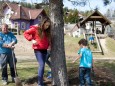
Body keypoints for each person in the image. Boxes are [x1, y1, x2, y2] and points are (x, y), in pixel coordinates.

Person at [24, 17, 51, 86]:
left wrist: (50, 45)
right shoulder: (35, 29)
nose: (47, 27)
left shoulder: (47, 31)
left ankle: (41, 82)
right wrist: (32, 40)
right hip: (37, 50)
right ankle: (40, 83)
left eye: (48, 26)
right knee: (41, 65)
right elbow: (26, 33)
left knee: (43, 66)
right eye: (46, 25)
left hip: (45, 50)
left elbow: (48, 39)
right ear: (43, 23)